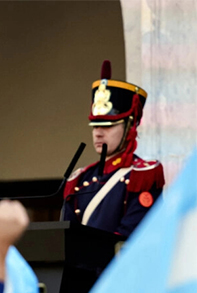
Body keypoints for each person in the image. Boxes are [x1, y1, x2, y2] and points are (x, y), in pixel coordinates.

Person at [63, 60, 164, 237]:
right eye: (95, 126)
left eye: (107, 125)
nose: (98, 133)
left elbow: (133, 237)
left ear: (129, 127)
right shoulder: (79, 180)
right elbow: (63, 239)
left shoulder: (142, 175)